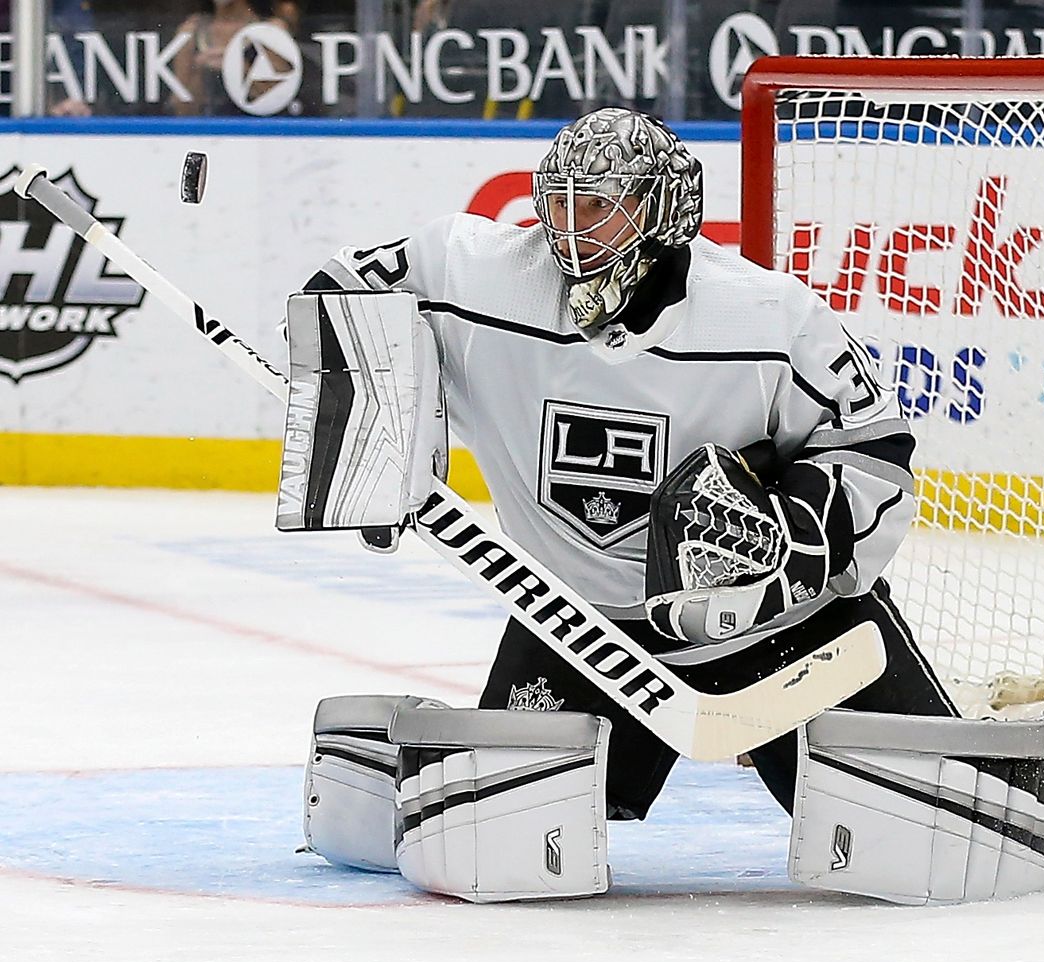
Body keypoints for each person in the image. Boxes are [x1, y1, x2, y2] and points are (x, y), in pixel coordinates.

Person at [301, 107, 958, 823]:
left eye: (599, 208)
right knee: (488, 833)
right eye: (558, 204)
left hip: (780, 634)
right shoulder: (479, 275)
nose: (571, 229)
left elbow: (871, 447)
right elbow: (336, 292)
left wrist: (795, 542)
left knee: (933, 819)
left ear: (660, 214)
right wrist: (380, 434)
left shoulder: (768, 317)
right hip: (576, 630)